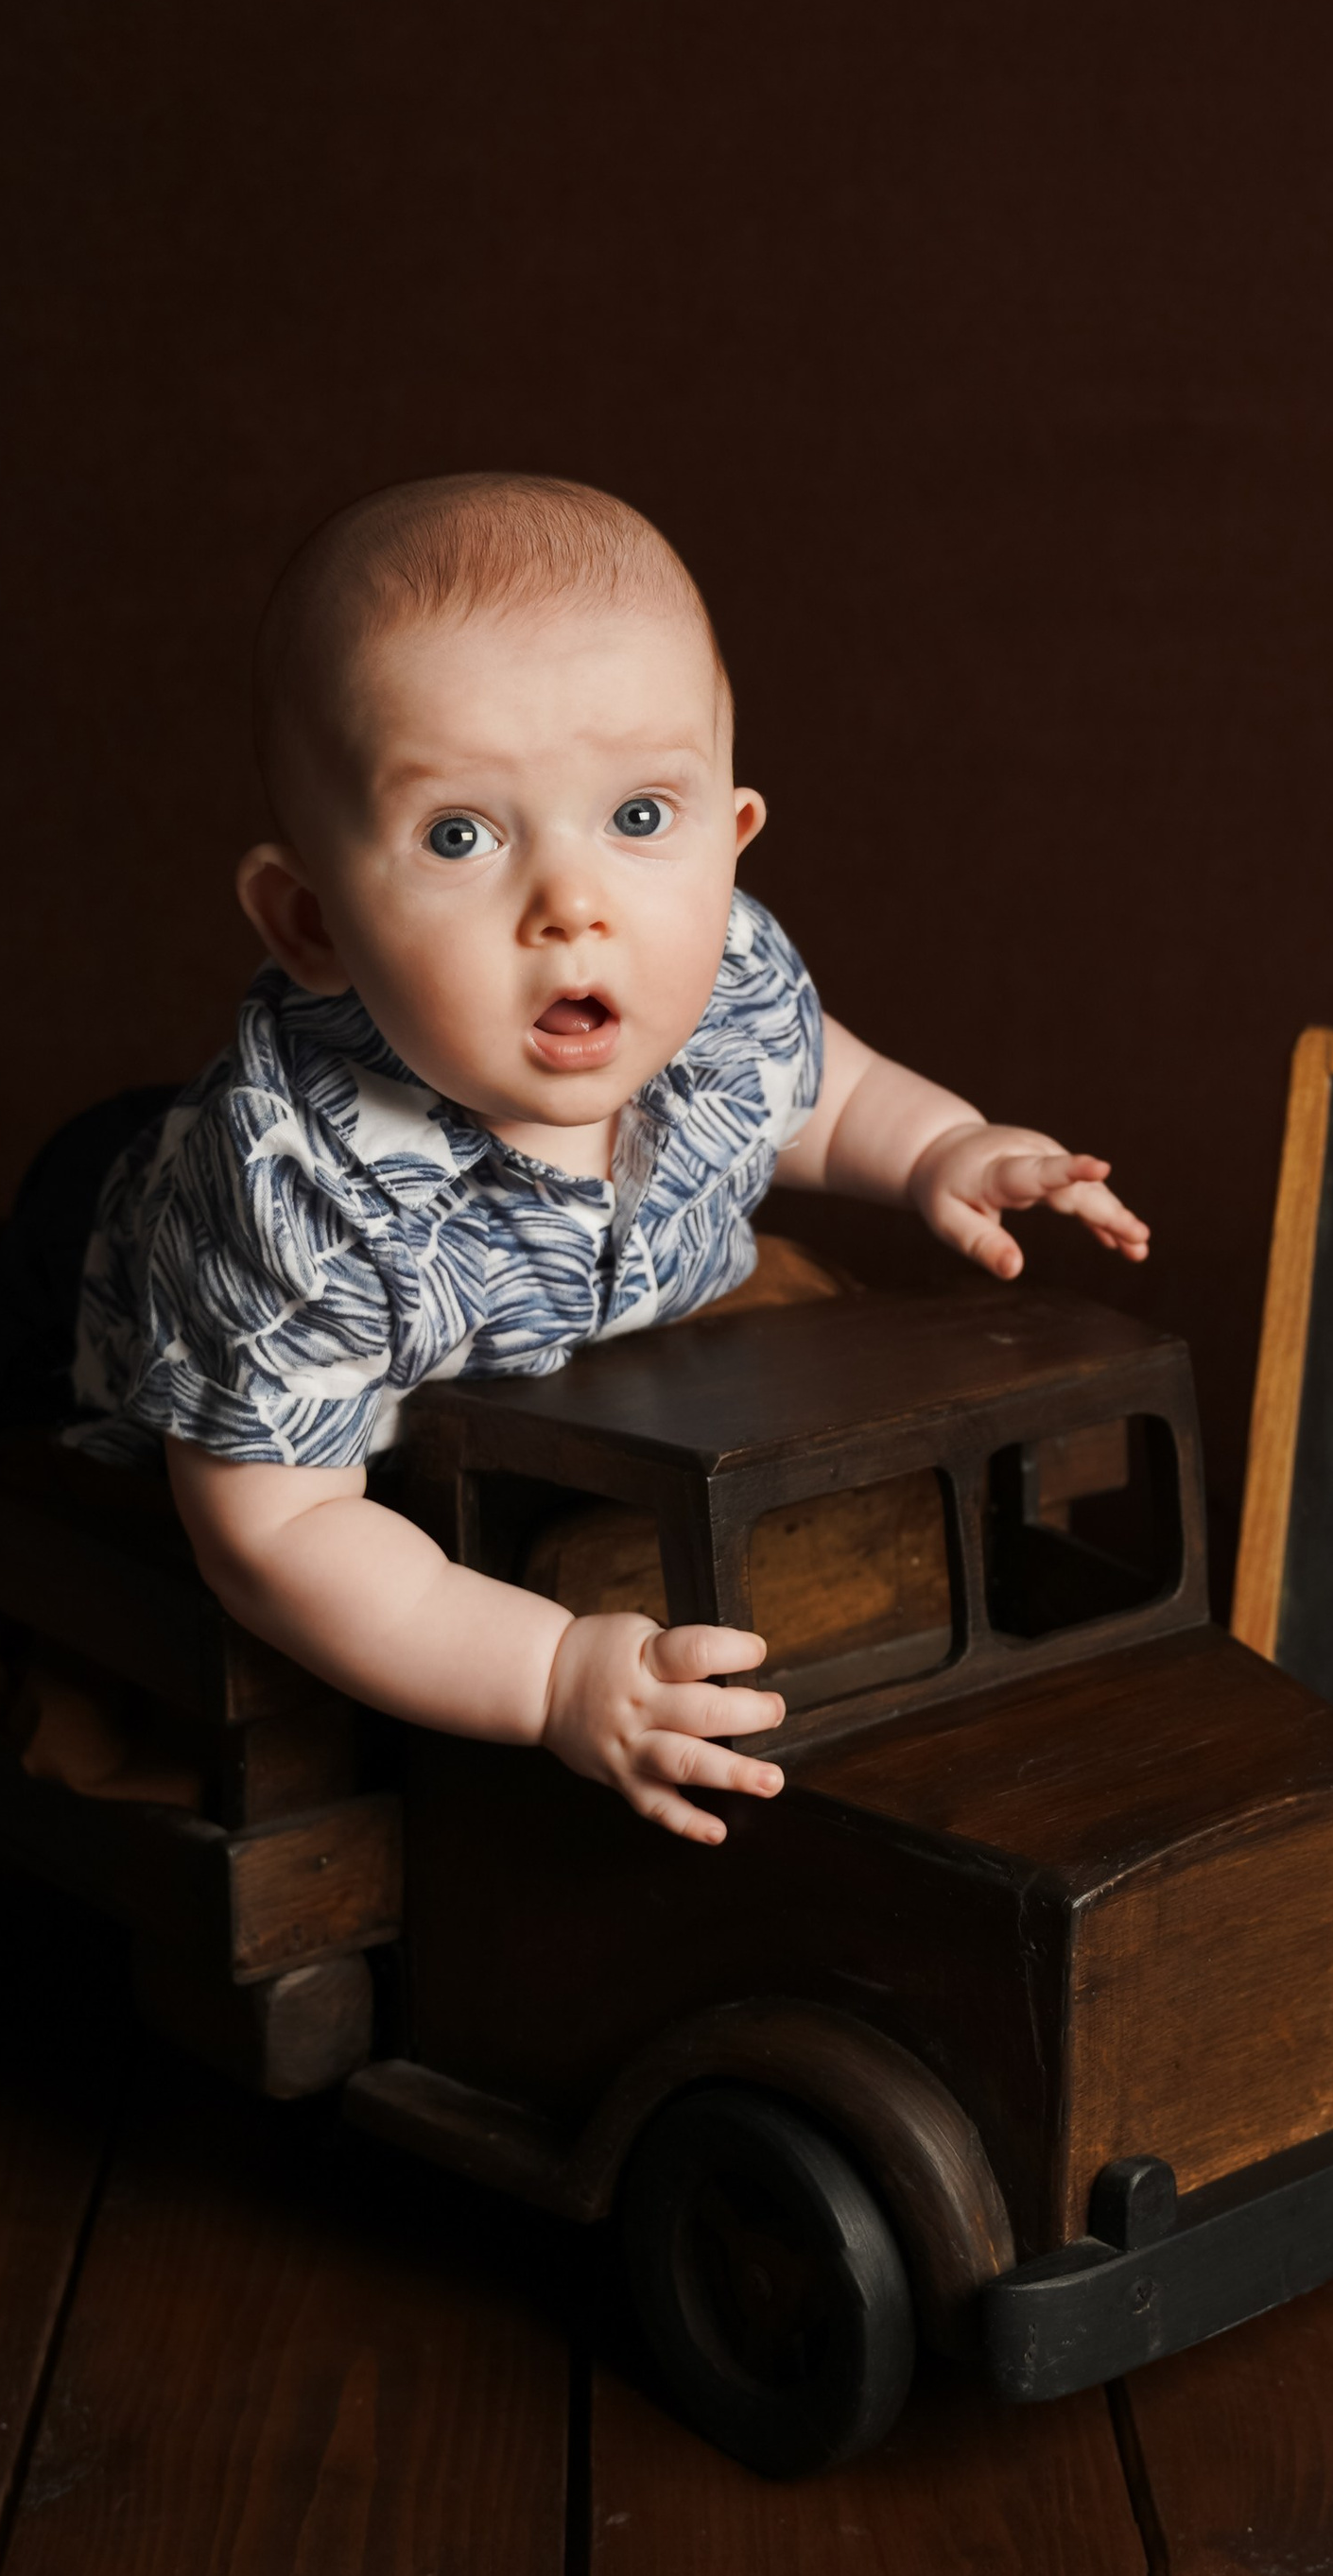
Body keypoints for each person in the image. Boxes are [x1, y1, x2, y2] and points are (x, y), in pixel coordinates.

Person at [67, 472, 1149, 1844]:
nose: (573, 907)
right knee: (61, 1389)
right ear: (310, 920)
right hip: (118, 1258)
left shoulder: (720, 982)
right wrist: (551, 1672)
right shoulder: (298, 1207)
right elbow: (275, 1539)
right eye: (461, 835)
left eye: (640, 818)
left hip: (565, 1338)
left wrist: (940, 1147)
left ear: (731, 843)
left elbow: (813, 1085)